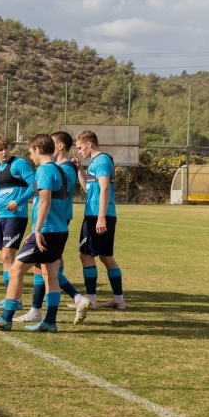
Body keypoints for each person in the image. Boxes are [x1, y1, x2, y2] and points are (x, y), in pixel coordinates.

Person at [0, 134, 69, 332]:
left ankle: (6, 318)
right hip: (60, 229)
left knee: (15, 271)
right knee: (51, 275)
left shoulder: (44, 170)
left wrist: (37, 229)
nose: (30, 156)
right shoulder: (59, 170)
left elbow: (45, 201)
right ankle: (50, 321)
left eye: (31, 152)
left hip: (47, 231)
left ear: (38, 149)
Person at [18, 131, 92, 324]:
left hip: (54, 221)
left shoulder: (62, 168)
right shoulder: (63, 167)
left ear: (59, 146)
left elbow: (47, 198)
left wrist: (37, 227)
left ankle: (72, 298)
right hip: (53, 220)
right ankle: (41, 308)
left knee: (46, 268)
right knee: (45, 266)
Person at [75, 129, 126, 309]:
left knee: (86, 254)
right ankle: (119, 300)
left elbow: (104, 188)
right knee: (106, 256)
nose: (79, 151)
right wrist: (80, 170)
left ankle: (91, 300)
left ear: (89, 144)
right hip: (101, 214)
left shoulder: (101, 161)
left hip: (97, 215)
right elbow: (89, 189)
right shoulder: (95, 162)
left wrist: (101, 217)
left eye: (80, 147)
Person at [0, 134, 35, 300]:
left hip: (16, 216)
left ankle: (15, 299)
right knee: (3, 258)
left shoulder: (19, 163)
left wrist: (18, 201)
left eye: (6, 148)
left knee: (8, 256)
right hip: (1, 218)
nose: (4, 152)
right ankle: (9, 297)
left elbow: (35, 185)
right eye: (0, 149)